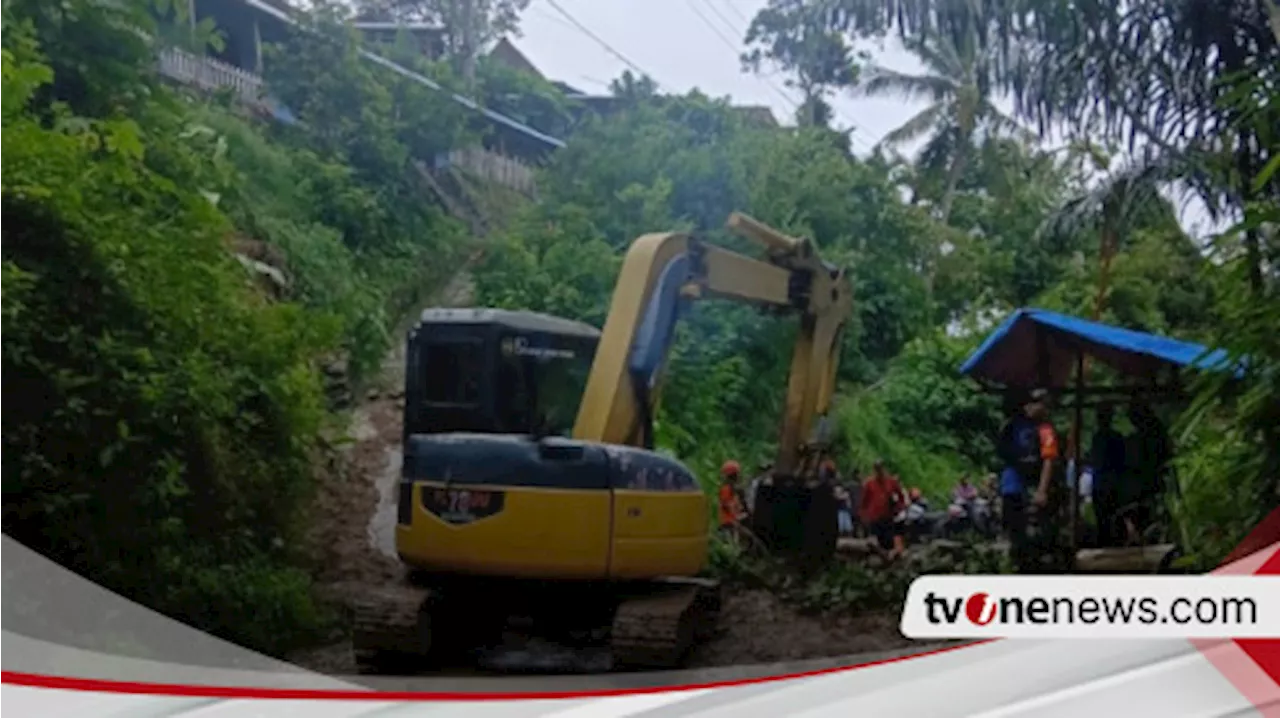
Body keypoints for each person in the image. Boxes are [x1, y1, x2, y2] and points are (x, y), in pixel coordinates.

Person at [996, 388, 1061, 571]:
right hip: (1014, 485)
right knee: (1016, 528)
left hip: (1032, 485)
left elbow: (1049, 459)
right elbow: (1003, 452)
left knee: (1036, 532)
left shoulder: (1045, 429)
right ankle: (1019, 561)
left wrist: (1042, 490)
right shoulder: (1013, 426)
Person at [1089, 404, 1128, 547]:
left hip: (1108, 484)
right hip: (1107, 484)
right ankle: (1108, 544)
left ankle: (1112, 544)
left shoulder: (1104, 438)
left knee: (1110, 517)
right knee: (1108, 518)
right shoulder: (1101, 437)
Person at [859, 459, 905, 559]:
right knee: (876, 542)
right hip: (874, 517)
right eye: (877, 469)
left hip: (888, 516)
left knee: (888, 540)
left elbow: (900, 496)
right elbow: (864, 501)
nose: (879, 471)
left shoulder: (891, 482)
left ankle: (889, 560)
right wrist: (863, 515)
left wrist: (899, 508)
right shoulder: (869, 483)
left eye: (880, 468)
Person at [717, 460, 748, 535]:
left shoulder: (726, 489)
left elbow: (726, 506)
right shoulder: (740, 489)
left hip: (729, 523)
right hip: (738, 523)